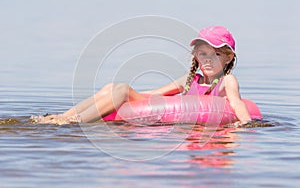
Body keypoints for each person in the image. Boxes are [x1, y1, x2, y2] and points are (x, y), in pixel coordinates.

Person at [36, 26, 252, 126]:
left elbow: (237, 103)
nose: (207, 59)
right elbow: (152, 94)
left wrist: (246, 124)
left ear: (228, 57)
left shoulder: (227, 81)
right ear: (195, 56)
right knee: (114, 88)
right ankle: (63, 117)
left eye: (215, 54)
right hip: (165, 109)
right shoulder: (188, 81)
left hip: (190, 118)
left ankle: (73, 122)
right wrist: (128, 97)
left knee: (120, 89)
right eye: (202, 53)